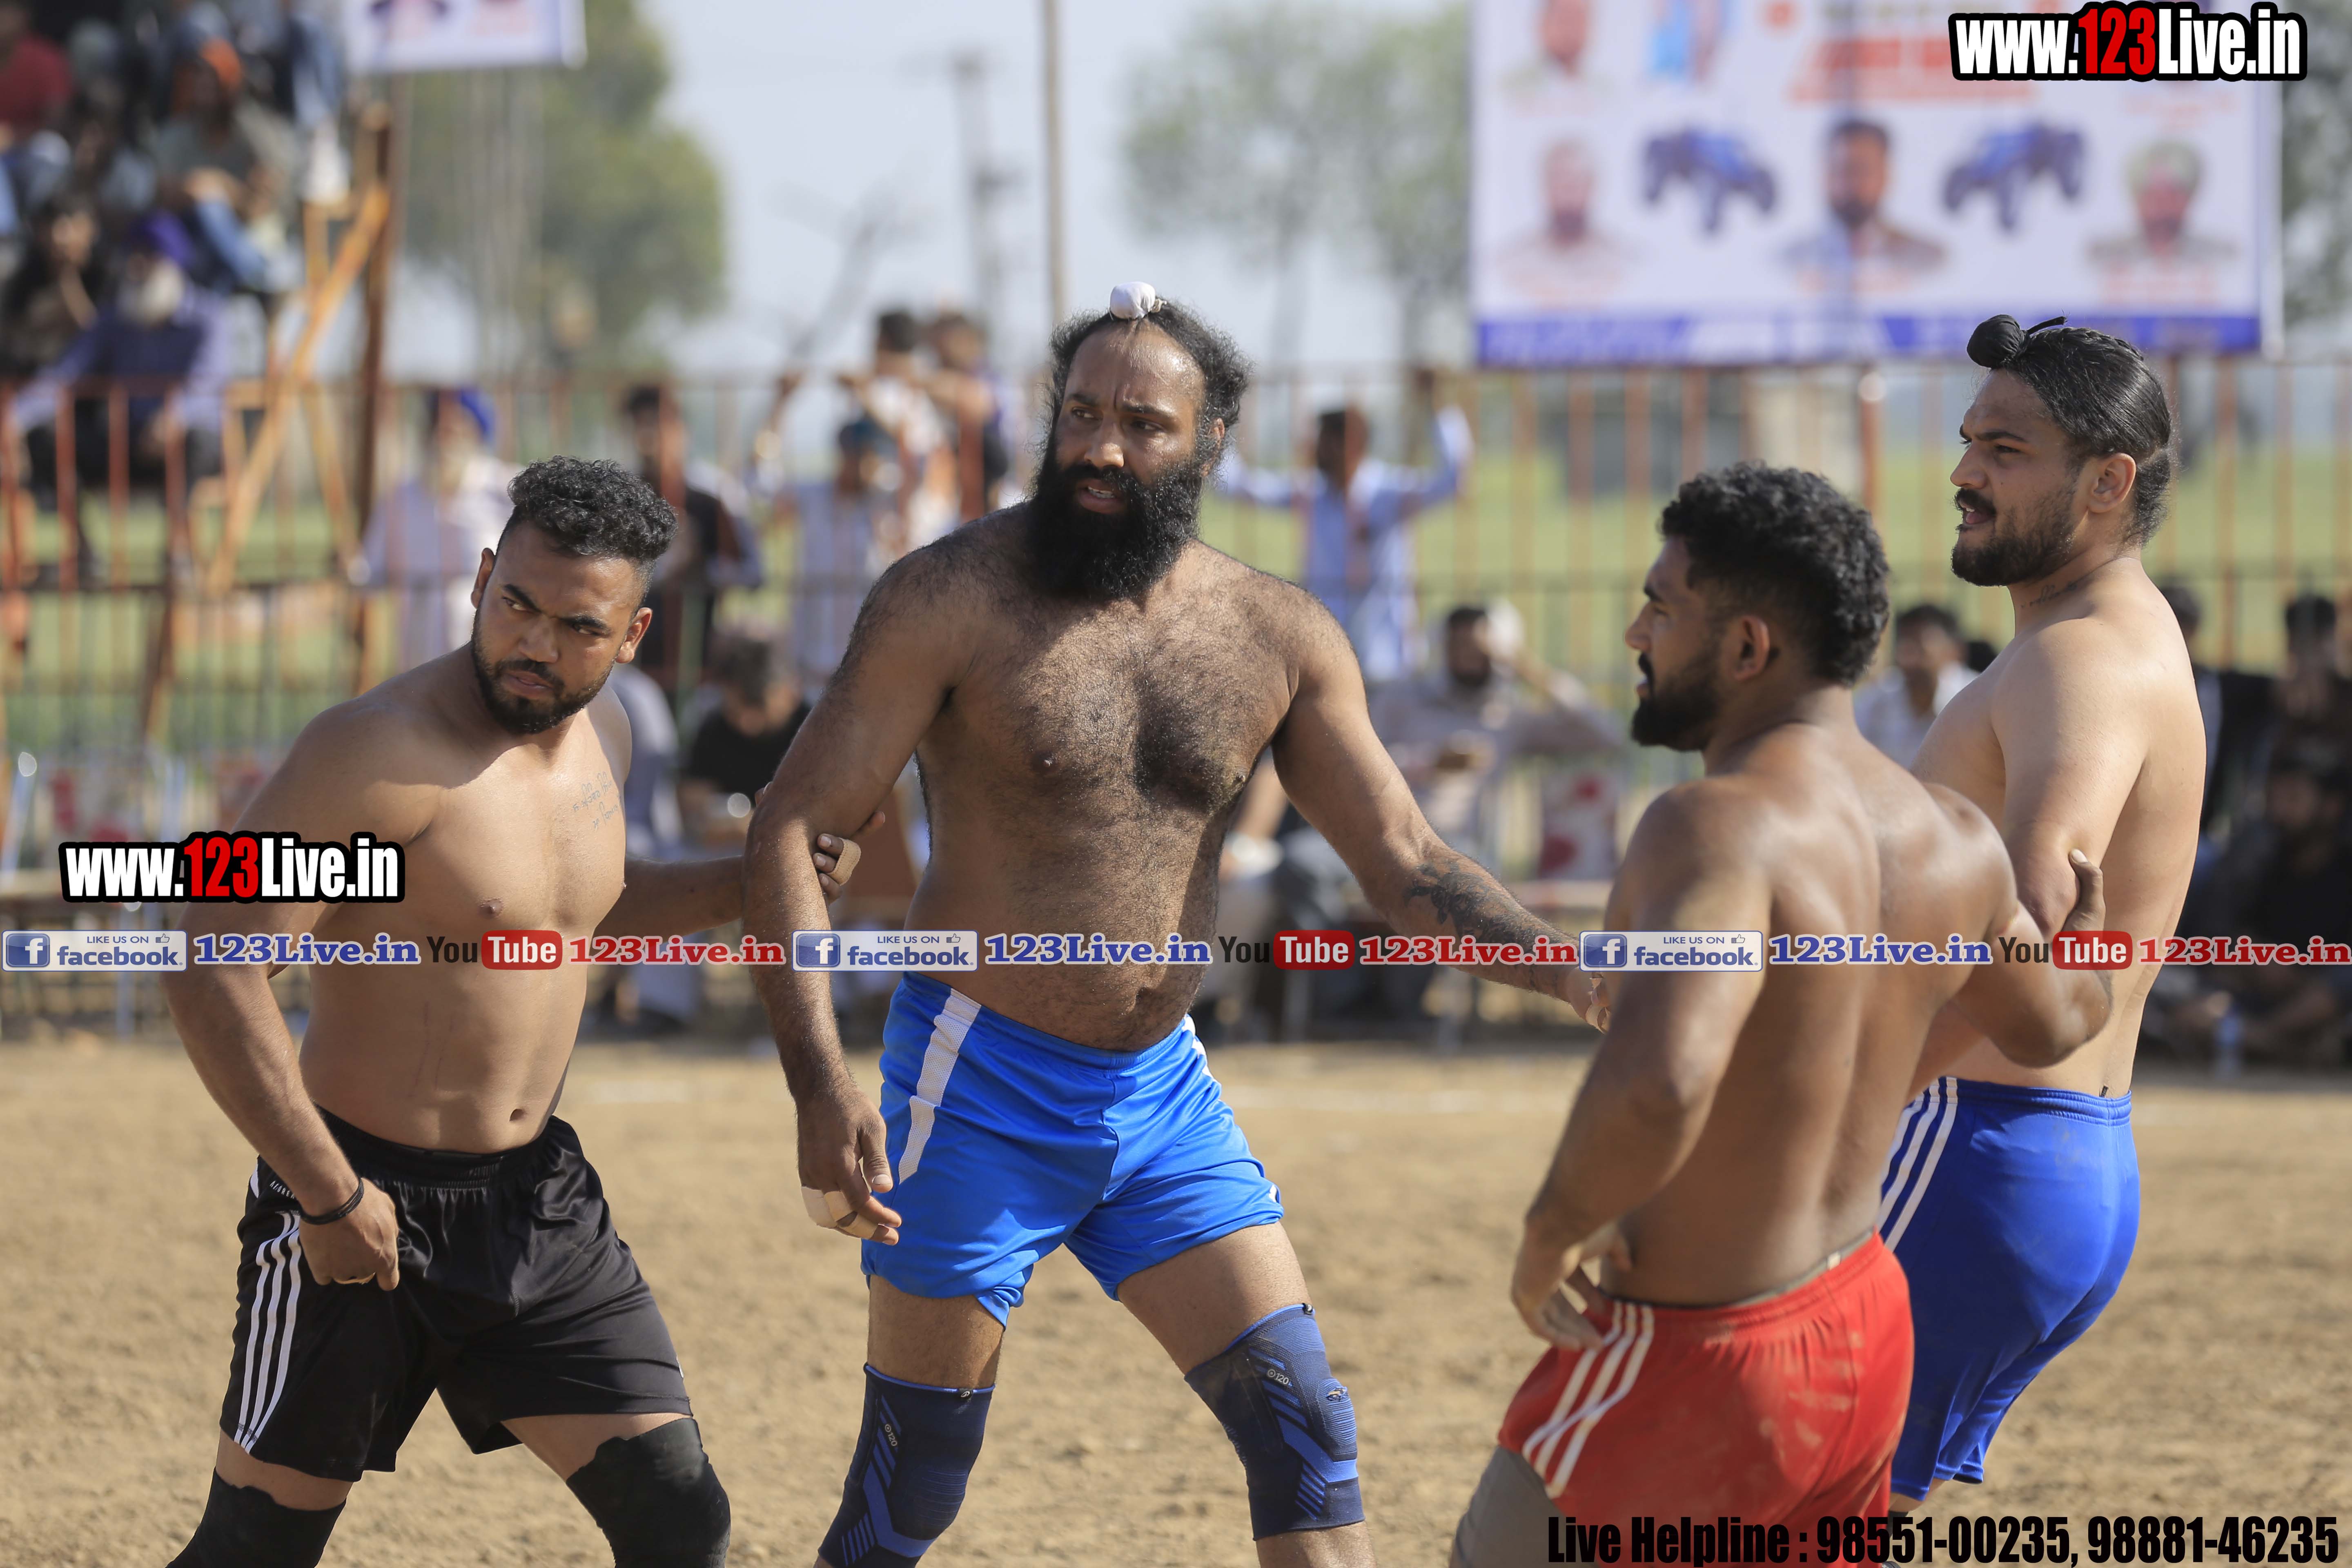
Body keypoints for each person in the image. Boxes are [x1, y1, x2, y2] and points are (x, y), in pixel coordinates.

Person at [744, 283, 1599, 1568]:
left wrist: (1573, 972)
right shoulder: (948, 596)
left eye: (1142, 424)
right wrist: (819, 1082)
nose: (1101, 447)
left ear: (1211, 443)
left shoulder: (1278, 633)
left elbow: (1408, 861)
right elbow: (789, 827)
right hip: (976, 1087)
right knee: (910, 1487)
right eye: (1082, 414)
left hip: (1160, 1094)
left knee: (1305, 1430)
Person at [155, 457, 864, 1568]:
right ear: (484, 577)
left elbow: (575, 912)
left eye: (577, 627)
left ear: (631, 636)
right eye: (516, 604)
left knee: (679, 1522)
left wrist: (751, 881)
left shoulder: (607, 734)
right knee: (252, 1551)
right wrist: (326, 1192)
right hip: (355, 1200)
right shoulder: (372, 751)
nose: (533, 644)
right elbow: (211, 959)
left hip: (536, 1204)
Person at [1450, 463, 2112, 1558]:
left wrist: (1550, 1231)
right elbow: (2052, 1022)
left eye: (1661, 606)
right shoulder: (1953, 838)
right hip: (1862, 1327)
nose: (1635, 633)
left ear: (1748, 647)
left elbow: (1664, 1079)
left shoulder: (1711, 825)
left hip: (1699, 1355)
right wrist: (2082, 942)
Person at [1886, 313, 2204, 1508]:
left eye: (2005, 450)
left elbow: (2033, 914)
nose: (1963, 472)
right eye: (1969, 441)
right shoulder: (2109, 638)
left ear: (2108, 481)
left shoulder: (2082, 657)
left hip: (1964, 1144)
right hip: (2040, 1153)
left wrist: (1849, 1099)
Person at [14, 209, 231, 582]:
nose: (137, 266)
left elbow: (208, 382)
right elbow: (64, 376)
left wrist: (174, 417)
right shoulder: (115, 320)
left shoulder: (209, 319)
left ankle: (178, 553)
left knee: (198, 440)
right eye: (134, 256)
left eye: (149, 256)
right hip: (125, 441)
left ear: (172, 265)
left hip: (178, 442)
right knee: (45, 439)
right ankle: (83, 551)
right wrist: (12, 420)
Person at [1220, 368, 1473, 686]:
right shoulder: (1312, 494)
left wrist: (1438, 405)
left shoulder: (1388, 493)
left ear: (1350, 445)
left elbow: (1454, 480)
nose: (1314, 449)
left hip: (1387, 659)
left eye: (1323, 441)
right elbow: (1237, 486)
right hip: (1324, 657)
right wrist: (1225, 412)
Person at [1372, 602, 1619, 864]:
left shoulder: (1509, 717)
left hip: (1467, 855)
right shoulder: (1401, 699)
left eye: (1480, 650)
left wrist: (1529, 671)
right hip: (1387, 839)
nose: (1468, 658)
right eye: (1458, 646)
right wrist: (1431, 764)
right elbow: (1357, 758)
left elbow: (1605, 735)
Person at [2159, 745, 2352, 1070]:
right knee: (2180, 998)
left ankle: (2262, 1037)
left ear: (2331, 806)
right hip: (2252, 986)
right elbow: (2219, 932)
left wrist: (2301, 978)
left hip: (2321, 997)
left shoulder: (2344, 870)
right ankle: (2279, 1044)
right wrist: (2257, 960)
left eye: (2294, 797)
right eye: (2275, 795)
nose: (2279, 808)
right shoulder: (2259, 856)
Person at [347, 387, 516, 672]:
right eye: (438, 424)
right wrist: (349, 568)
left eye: (457, 426)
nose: (445, 437)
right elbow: (368, 572)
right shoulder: (401, 498)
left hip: (489, 658)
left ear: (475, 432)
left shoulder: (505, 490)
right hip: (419, 658)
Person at [620, 383, 760, 691]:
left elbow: (752, 573)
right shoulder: (622, 498)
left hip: (700, 648)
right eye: (641, 427)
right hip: (634, 655)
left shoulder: (712, 496)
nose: (650, 438)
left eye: (658, 426)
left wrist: (701, 568)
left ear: (681, 431)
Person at [153, 35, 299, 294]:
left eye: (212, 80)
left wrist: (220, 186)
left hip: (245, 240)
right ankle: (253, 281)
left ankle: (257, 280)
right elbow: (168, 196)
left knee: (213, 209)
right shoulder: (175, 135)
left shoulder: (251, 133)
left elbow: (262, 202)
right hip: (190, 239)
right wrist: (216, 192)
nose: (203, 88)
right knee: (202, 213)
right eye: (198, 79)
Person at [680, 635, 809, 848]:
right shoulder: (715, 730)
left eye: (758, 706)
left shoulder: (813, 731)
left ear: (790, 692)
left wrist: (753, 824)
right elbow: (692, 798)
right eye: (736, 710)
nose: (747, 723)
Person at [1780, 119, 1945, 281]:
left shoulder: (1928, 259)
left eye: (1863, 170)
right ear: (1825, 176)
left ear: (1885, 176)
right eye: (1842, 169)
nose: (1852, 182)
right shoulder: (1791, 260)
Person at [1853, 602, 1976, 768]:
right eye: (1904, 645)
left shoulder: (1976, 702)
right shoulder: (1877, 700)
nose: (1907, 658)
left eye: (1920, 648)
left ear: (1954, 651)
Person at [0, 192, 107, 376]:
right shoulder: (28, 274)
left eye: (70, 226)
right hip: (27, 375)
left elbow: (92, 330)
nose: (59, 238)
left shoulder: (101, 274)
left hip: (84, 378)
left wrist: (68, 275)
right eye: (52, 227)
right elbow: (12, 331)